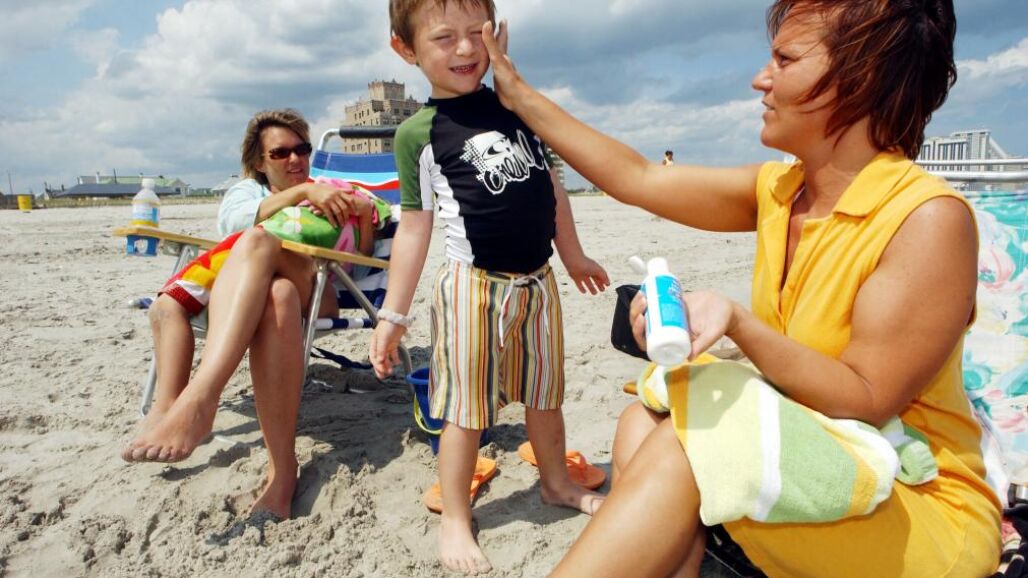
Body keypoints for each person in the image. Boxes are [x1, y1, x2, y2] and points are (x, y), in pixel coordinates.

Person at [480, 0, 1002, 576]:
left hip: (913, 500)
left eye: (785, 59)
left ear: (862, 76)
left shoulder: (926, 219)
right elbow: (637, 177)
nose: (760, 78)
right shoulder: (782, 190)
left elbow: (867, 397)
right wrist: (517, 94)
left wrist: (738, 323)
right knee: (638, 423)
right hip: (834, 456)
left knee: (689, 442)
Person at [370, 0, 610, 573]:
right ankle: (456, 516)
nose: (465, 49)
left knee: (545, 393)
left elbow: (550, 187)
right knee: (465, 409)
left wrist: (572, 254)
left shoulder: (517, 106)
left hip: (538, 283)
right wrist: (392, 316)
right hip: (471, 290)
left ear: (496, 34)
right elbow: (415, 227)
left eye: (476, 33)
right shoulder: (418, 133)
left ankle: (556, 483)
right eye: (443, 38)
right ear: (406, 49)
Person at [121, 109, 370, 520]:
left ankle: (200, 398)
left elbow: (361, 253)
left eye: (303, 149)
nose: (296, 159)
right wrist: (301, 195)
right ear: (259, 162)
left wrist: (355, 210)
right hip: (265, 291)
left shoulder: (331, 191)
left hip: (321, 285)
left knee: (257, 242)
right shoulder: (247, 193)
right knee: (267, 296)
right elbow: (232, 222)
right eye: (281, 153)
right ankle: (273, 468)